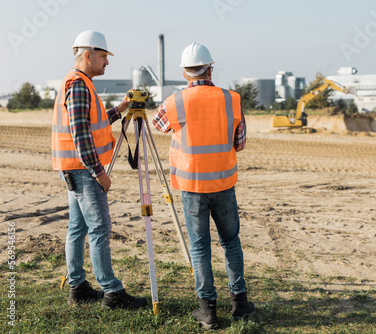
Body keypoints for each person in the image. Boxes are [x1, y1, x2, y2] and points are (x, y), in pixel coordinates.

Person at [152, 42, 255, 329]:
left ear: (185, 73)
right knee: (231, 243)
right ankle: (240, 304)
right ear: (211, 68)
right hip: (223, 184)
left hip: (192, 186)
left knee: (200, 249)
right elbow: (240, 143)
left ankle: (208, 311)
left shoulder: (176, 101)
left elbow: (158, 124)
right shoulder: (231, 99)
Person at [52, 30, 147, 309]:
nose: (107, 62)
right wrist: (98, 172)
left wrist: (121, 108)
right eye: (104, 56)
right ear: (87, 55)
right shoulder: (79, 85)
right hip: (83, 170)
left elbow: (95, 124)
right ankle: (112, 292)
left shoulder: (79, 83)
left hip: (73, 168)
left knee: (78, 227)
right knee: (99, 228)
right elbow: (81, 135)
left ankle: (78, 287)